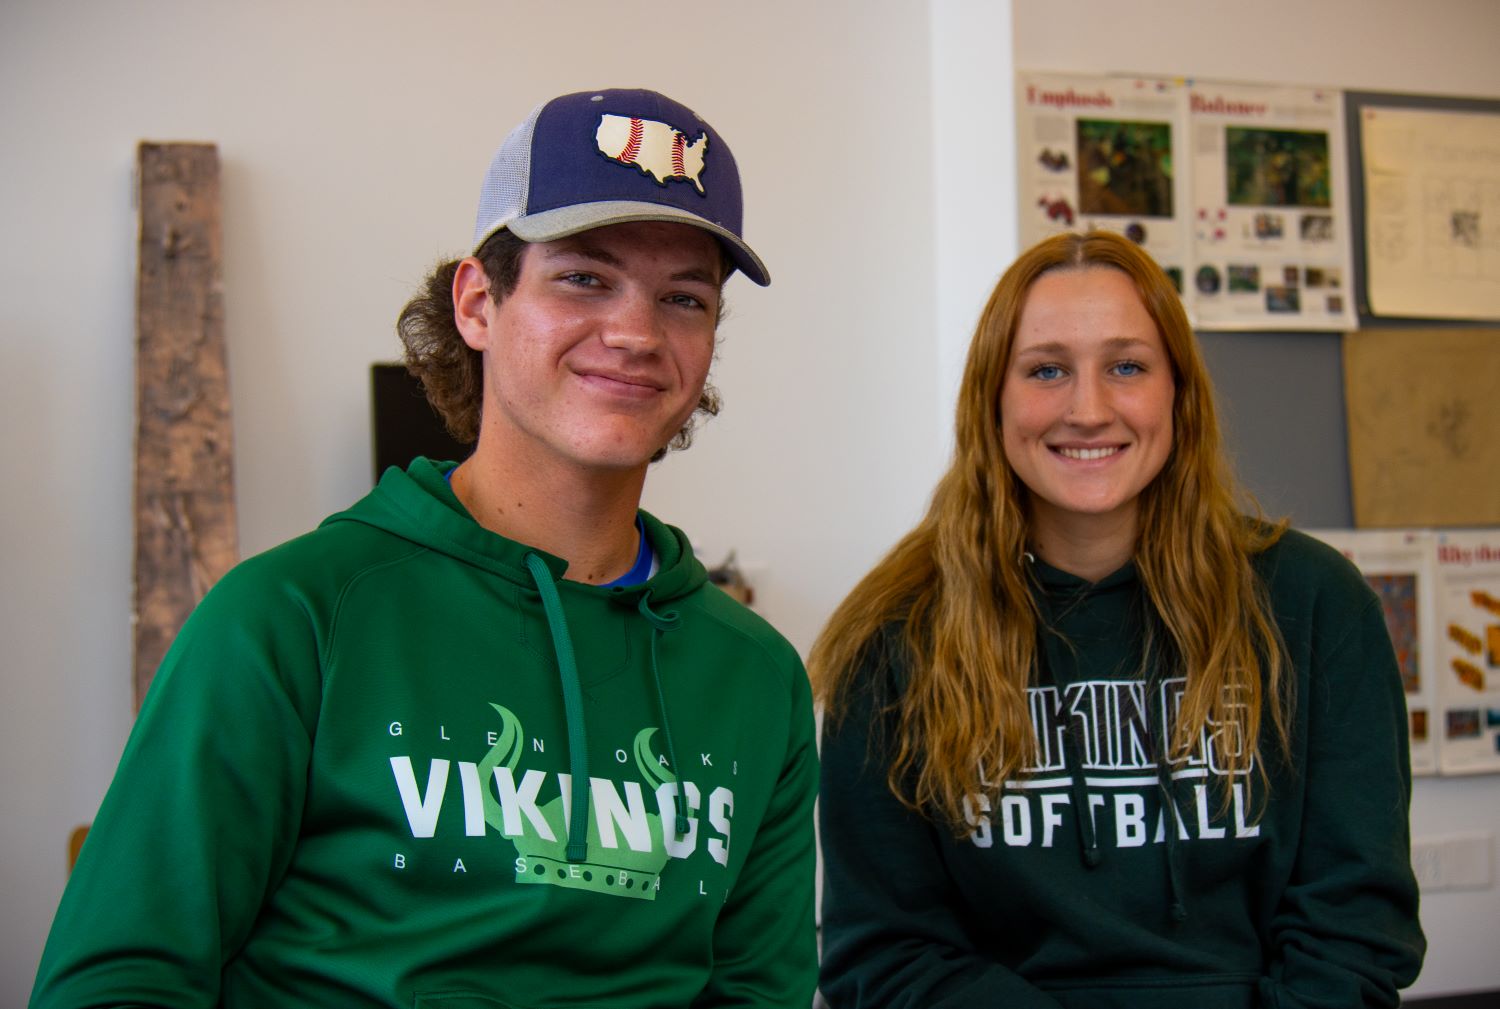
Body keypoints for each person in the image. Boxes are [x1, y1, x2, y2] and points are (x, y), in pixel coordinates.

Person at [33, 88, 817, 1008]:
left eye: (684, 298)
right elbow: (117, 978)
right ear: (479, 303)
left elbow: (758, 993)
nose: (637, 333)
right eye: (584, 278)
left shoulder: (757, 676)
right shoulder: (290, 619)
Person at [812, 231, 1424, 1008]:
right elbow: (885, 951)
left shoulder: (1315, 603)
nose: (1089, 409)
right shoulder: (893, 632)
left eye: (1127, 366)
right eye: (1047, 370)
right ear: (992, 400)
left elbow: (1355, 927)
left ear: (1179, 393)